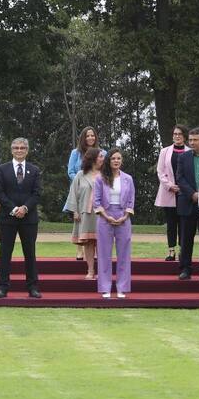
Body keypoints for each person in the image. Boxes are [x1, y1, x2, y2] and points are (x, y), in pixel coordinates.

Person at [0, 138, 42, 299]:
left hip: (29, 219)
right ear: (11, 150)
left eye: (22, 148)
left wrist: (25, 208)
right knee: (5, 253)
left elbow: (37, 193)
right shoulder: (2, 169)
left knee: (30, 253)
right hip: (8, 218)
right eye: (16, 147)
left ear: (27, 150)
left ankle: (32, 287)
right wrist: (14, 209)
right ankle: (3, 287)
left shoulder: (34, 170)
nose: (19, 150)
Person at [93, 148, 135, 298]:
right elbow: (96, 202)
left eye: (119, 158)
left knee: (124, 253)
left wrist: (124, 217)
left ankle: (122, 288)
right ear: (108, 161)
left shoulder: (128, 179)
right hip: (105, 217)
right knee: (104, 253)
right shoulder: (100, 178)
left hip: (123, 217)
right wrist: (106, 216)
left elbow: (131, 201)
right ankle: (105, 287)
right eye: (113, 158)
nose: (116, 161)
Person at [64, 147, 104, 280]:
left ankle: (103, 272)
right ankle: (91, 271)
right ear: (93, 159)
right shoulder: (80, 175)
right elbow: (73, 194)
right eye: (100, 156)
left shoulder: (106, 174)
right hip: (85, 214)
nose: (103, 159)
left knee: (102, 242)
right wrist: (74, 211)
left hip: (103, 214)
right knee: (89, 243)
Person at [65, 126, 102, 261]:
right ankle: (79, 250)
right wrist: (81, 180)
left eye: (92, 135)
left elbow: (105, 171)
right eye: (87, 136)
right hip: (80, 190)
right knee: (80, 219)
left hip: (97, 190)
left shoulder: (102, 152)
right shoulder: (75, 153)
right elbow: (70, 171)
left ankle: (97, 250)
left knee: (97, 220)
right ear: (83, 138)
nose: (90, 138)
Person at [155, 125, 189, 261]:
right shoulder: (164, 151)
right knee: (171, 223)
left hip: (184, 193)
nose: (177, 136)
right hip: (168, 192)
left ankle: (182, 251)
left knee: (184, 223)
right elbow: (160, 171)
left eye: (180, 134)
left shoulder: (190, 152)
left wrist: (183, 187)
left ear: (184, 136)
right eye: (175, 134)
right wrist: (170, 186)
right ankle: (171, 251)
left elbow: (191, 173)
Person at [175, 126, 199, 280]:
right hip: (188, 203)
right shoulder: (183, 157)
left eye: (195, 140)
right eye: (190, 140)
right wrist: (192, 194)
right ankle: (185, 269)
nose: (192, 142)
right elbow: (180, 178)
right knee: (186, 238)